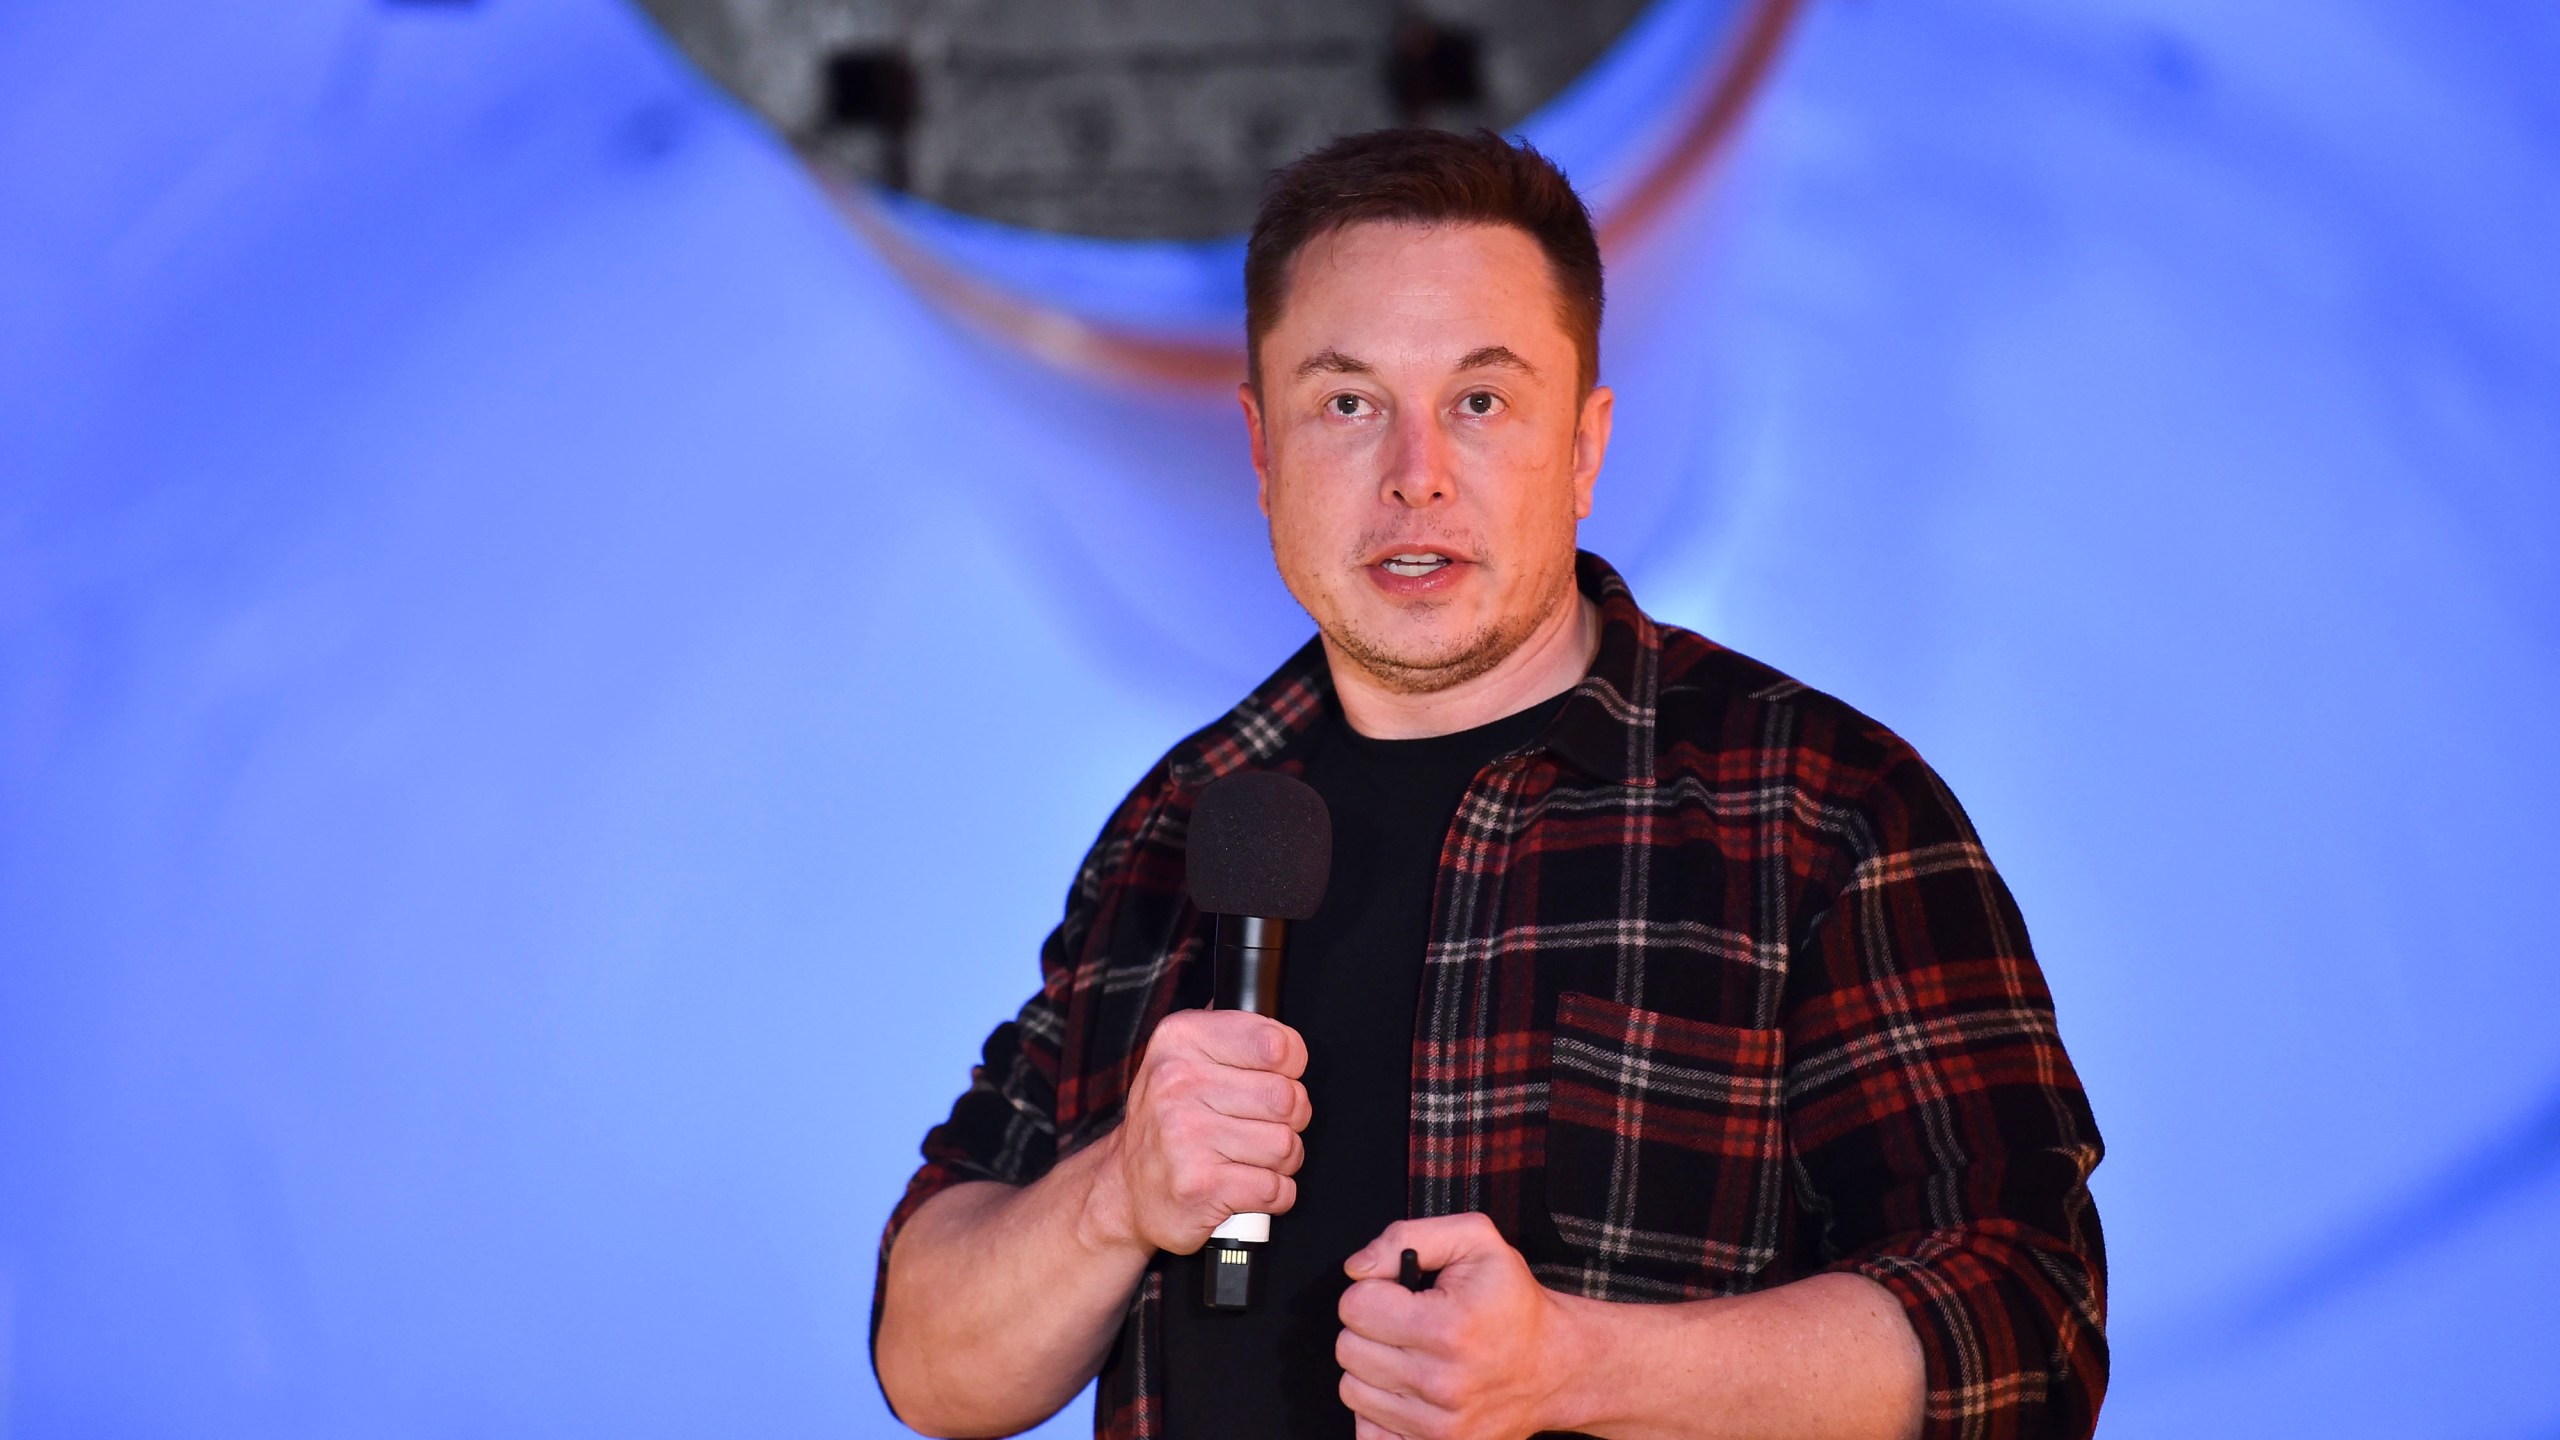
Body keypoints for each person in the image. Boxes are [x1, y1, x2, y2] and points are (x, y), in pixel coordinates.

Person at [870, 129, 2106, 1440]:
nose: (1416, 472)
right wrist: (1114, 1192)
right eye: (1346, 402)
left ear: (1583, 447)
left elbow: (2028, 1334)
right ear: (1261, 446)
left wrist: (1579, 1367)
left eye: (1481, 400)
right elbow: (930, 1360)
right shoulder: (1181, 827)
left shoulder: (1817, 804)